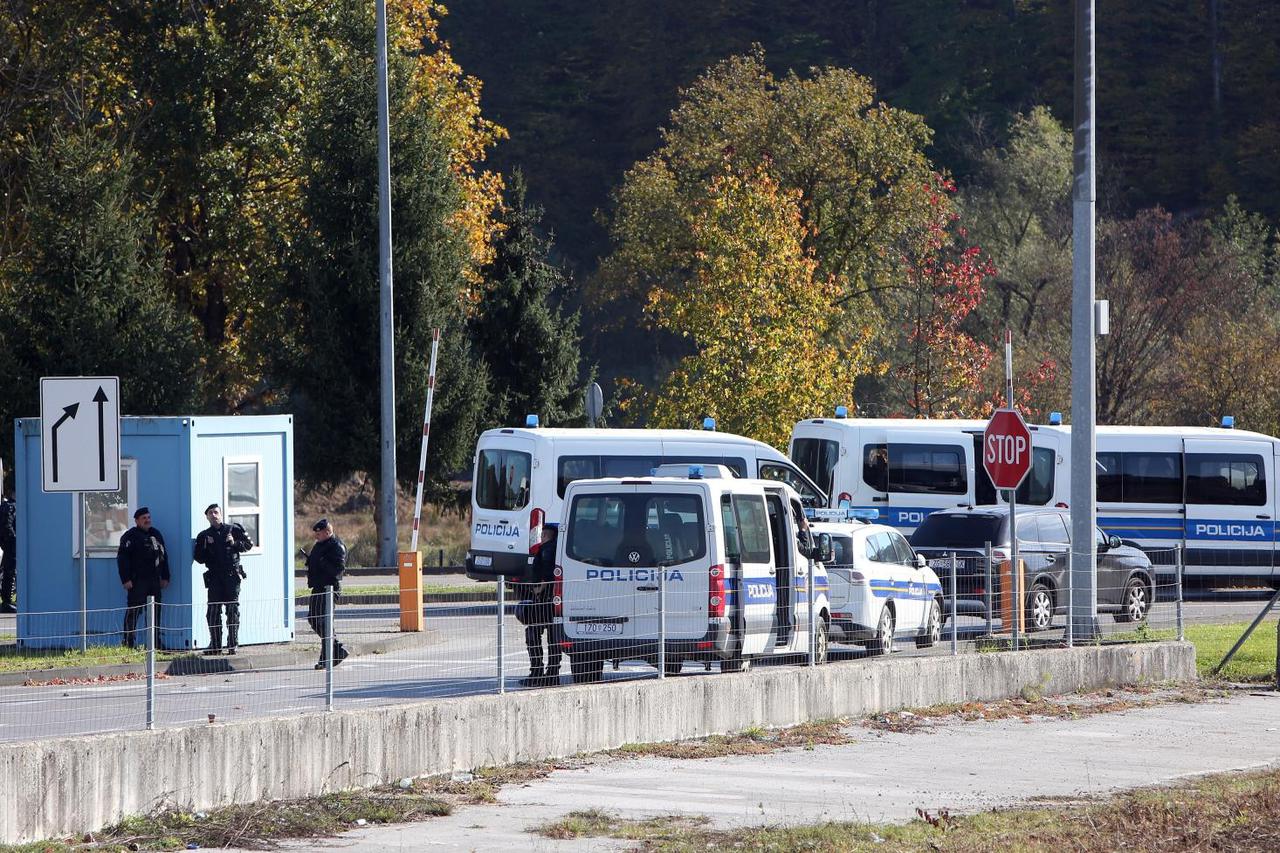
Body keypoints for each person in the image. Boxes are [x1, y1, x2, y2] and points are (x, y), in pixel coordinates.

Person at [193, 503, 253, 655]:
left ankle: (232, 644)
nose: (214, 515)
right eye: (210, 513)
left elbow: (248, 545)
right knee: (213, 612)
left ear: (221, 514)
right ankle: (215, 645)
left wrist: (234, 543)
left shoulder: (233, 529)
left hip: (232, 576)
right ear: (206, 516)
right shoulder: (204, 535)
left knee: (232, 610)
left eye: (216, 512)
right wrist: (206, 547)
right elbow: (198, 557)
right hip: (214, 577)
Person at [117, 507, 170, 648]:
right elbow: (122, 559)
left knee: (155, 611)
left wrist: (166, 576)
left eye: (148, 517)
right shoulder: (130, 536)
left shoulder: (155, 534)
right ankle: (128, 642)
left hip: (154, 580)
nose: (147, 520)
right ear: (137, 521)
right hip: (137, 581)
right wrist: (125, 579)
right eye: (144, 518)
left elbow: (164, 556)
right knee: (134, 611)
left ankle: (154, 642)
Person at [304, 518, 348, 669]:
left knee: (324, 622)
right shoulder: (320, 544)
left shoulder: (337, 546)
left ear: (328, 532)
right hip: (318, 587)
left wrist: (322, 563)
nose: (316, 536)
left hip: (329, 589)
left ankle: (327, 657)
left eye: (319, 533)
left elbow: (338, 571)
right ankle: (335, 649)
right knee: (314, 620)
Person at [522, 524, 561, 687]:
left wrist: (539, 588)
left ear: (547, 535)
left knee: (533, 632)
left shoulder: (546, 549)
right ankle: (553, 673)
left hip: (544, 599)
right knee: (553, 637)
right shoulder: (559, 549)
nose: (541, 537)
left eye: (543, 534)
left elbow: (544, 574)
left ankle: (536, 671)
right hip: (555, 600)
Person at [0, 485, 15, 614]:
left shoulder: (8, 506)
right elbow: (7, 526)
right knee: (10, 572)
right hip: (11, 545)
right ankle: (7, 602)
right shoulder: (10, 506)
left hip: (9, 544)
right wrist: (14, 540)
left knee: (10, 572)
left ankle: (8, 600)